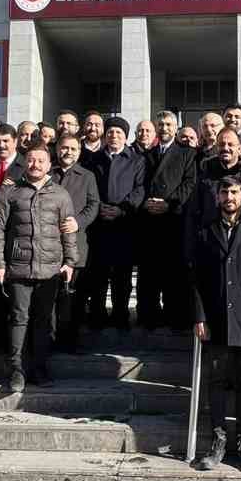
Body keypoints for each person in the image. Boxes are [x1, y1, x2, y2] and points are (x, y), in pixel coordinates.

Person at [189, 175, 241, 472]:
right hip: (216, 318)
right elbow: (197, 279)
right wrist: (199, 316)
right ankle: (219, 439)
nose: (229, 196)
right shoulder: (205, 232)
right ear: (218, 196)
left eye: (234, 191)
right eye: (224, 191)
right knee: (217, 381)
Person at [0, 144, 78, 394]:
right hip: (18, 268)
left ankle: (40, 367)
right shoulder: (10, 191)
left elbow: (68, 230)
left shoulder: (60, 194)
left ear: (49, 165)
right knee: (19, 318)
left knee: (43, 321)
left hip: (50, 270)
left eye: (41, 161)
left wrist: (70, 261)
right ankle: (17, 369)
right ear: (24, 162)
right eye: (31, 160)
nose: (35, 165)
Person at [83, 118, 146, 330]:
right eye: (110, 132)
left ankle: (120, 314)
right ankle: (97, 313)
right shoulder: (94, 159)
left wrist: (122, 209)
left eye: (119, 132)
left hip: (124, 225)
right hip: (99, 224)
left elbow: (140, 190)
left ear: (126, 136)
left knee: (122, 274)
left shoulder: (136, 160)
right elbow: (88, 187)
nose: (114, 136)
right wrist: (99, 207)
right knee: (98, 273)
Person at [139, 111, 198, 332]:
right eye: (161, 124)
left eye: (169, 124)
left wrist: (169, 204)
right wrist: (145, 202)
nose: (164, 128)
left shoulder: (187, 153)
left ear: (176, 127)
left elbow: (189, 183)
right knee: (150, 273)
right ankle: (149, 317)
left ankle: (176, 317)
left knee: (175, 273)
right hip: (149, 219)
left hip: (174, 219)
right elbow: (139, 182)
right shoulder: (146, 154)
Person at [187, 128, 241, 249]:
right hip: (211, 248)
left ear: (239, 149)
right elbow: (193, 216)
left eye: (230, 144)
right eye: (221, 144)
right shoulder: (205, 179)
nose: (225, 148)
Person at [53, 135, 100, 351]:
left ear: (79, 152)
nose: (68, 152)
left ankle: (72, 338)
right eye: (64, 148)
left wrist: (78, 222)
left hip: (77, 243)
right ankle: (50, 338)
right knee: (52, 296)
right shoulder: (48, 173)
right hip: (50, 245)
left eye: (73, 148)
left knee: (76, 296)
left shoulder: (87, 176)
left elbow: (93, 204)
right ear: (57, 149)